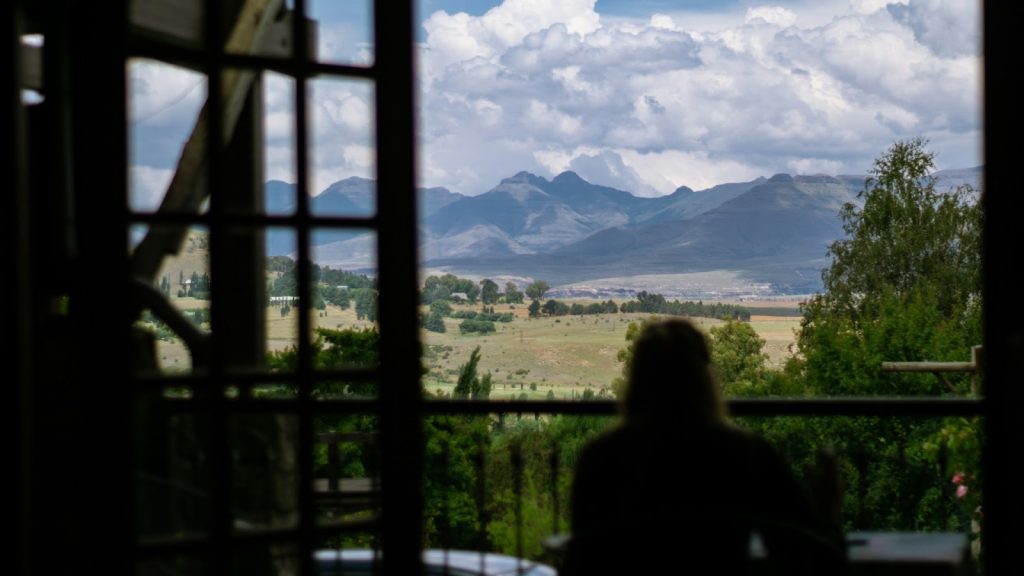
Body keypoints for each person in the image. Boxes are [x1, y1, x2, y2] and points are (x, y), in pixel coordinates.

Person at [566, 319, 845, 575]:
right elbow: (810, 553)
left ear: (636, 381)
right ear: (704, 378)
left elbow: (582, 557)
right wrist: (827, 510)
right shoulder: (750, 455)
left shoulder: (602, 458)